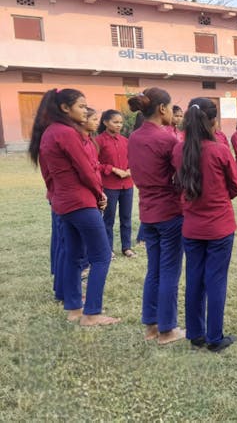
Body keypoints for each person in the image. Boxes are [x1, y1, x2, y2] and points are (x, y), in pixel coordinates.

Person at [29, 88, 119, 326]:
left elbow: (50, 175)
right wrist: (100, 194)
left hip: (63, 202)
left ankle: (73, 309)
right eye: (81, 106)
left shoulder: (50, 132)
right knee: (101, 256)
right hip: (80, 202)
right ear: (65, 108)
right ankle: (92, 313)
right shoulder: (66, 133)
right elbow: (86, 170)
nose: (85, 110)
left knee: (73, 255)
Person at [173, 98, 237, 353]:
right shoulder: (219, 149)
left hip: (192, 227)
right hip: (219, 227)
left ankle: (196, 334)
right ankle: (214, 337)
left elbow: (178, 184)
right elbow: (235, 186)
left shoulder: (178, 151)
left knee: (194, 279)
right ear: (213, 121)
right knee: (216, 281)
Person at [128, 87, 185, 344]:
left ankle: (151, 326)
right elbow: (182, 175)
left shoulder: (134, 137)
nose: (173, 113)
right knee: (170, 270)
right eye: (172, 107)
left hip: (147, 212)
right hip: (169, 211)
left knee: (154, 270)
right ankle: (167, 329)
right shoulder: (167, 139)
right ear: (162, 109)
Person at [96, 109, 136, 258]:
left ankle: (127, 247)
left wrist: (130, 169)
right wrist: (112, 169)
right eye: (115, 122)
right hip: (109, 185)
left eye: (120, 122)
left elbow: (133, 158)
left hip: (127, 184)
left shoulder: (126, 141)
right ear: (106, 122)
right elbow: (94, 163)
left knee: (126, 217)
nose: (119, 125)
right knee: (109, 218)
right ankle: (108, 249)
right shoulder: (98, 141)